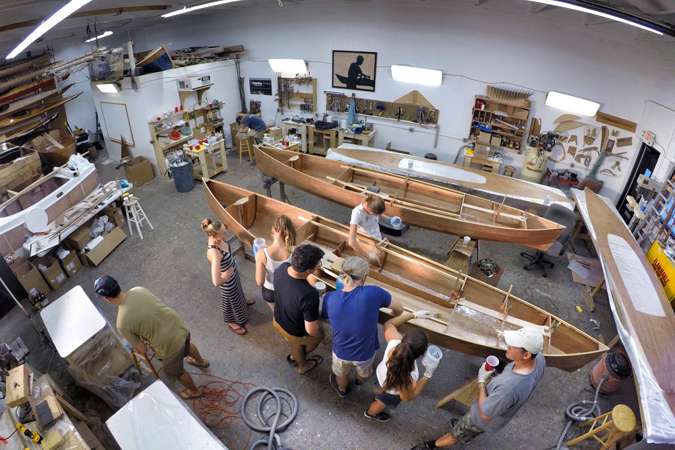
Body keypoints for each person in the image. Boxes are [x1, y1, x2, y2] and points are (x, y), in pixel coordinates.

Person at [410, 326, 546, 449]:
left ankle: (433, 445)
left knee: (456, 434)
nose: (508, 346)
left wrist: (481, 381)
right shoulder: (539, 359)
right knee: (466, 427)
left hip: (480, 419)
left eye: (513, 346)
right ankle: (465, 432)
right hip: (494, 410)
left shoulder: (509, 388)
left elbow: (485, 415)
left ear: (526, 354)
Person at [94, 276, 209, 400]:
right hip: (178, 326)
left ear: (106, 298)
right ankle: (201, 362)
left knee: (177, 372)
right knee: (186, 345)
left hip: (168, 345)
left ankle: (194, 391)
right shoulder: (138, 289)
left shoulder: (121, 323)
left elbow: (142, 350)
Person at [322, 256, 403, 397]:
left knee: (340, 374)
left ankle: (342, 390)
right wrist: (391, 316)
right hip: (366, 351)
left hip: (341, 351)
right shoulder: (373, 293)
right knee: (364, 372)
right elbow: (399, 308)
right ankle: (359, 381)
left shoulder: (330, 298)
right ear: (364, 277)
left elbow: (325, 315)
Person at [364, 310, 439, 422]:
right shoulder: (410, 377)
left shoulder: (394, 342)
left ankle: (376, 396)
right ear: (422, 354)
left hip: (380, 377)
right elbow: (408, 397)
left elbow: (389, 324)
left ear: (404, 338)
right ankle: (370, 413)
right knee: (381, 403)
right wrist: (427, 375)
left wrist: (413, 315)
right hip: (390, 393)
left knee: (379, 392)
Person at [272, 244, 325, 375]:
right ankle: (302, 364)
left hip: (278, 317)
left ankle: (295, 354)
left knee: (297, 343)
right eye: (318, 264)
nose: (319, 265)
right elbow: (311, 330)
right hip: (292, 330)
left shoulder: (282, 268)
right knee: (319, 335)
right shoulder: (309, 294)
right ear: (308, 271)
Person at [203, 218, 251, 335]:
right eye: (223, 233)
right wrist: (225, 276)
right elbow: (216, 281)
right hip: (228, 283)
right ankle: (231, 321)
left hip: (233, 275)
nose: (226, 234)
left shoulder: (218, 239)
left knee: (238, 294)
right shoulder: (214, 253)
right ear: (214, 236)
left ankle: (243, 303)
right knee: (229, 301)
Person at [255, 215, 296, 310]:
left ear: (273, 230)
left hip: (270, 291)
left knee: (276, 314)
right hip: (287, 290)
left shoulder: (262, 254)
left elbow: (259, 281)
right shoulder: (294, 251)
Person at [348, 195, 386, 261]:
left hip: (377, 237)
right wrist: (364, 255)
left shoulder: (372, 206)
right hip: (366, 240)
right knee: (374, 258)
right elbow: (351, 241)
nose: (377, 215)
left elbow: (379, 215)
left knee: (380, 256)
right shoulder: (357, 213)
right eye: (375, 214)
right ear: (371, 212)